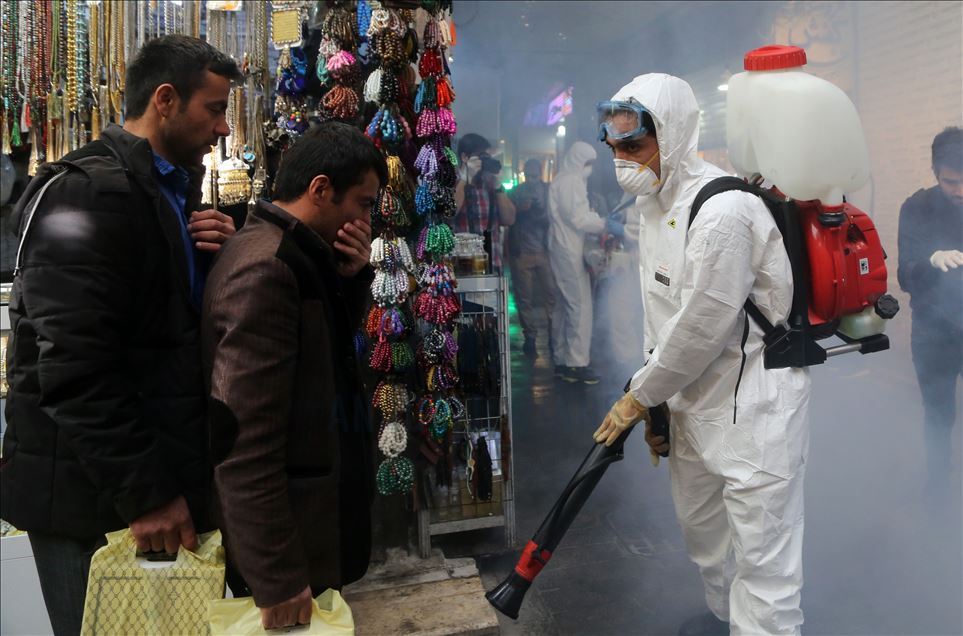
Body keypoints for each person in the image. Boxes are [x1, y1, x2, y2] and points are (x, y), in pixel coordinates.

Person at [0, 35, 240, 635]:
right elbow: (74, 367)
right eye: (214, 109)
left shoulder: (160, 191)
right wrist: (147, 494)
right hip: (94, 505)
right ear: (166, 100)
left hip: (132, 488)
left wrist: (215, 262)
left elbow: (159, 337)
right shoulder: (89, 192)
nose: (223, 129)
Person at [592, 74, 810, 635]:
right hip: (692, 403)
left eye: (635, 146)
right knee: (706, 539)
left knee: (763, 561)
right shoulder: (652, 202)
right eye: (615, 147)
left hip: (754, 407)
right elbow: (660, 316)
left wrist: (639, 397)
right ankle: (726, 622)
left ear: (673, 135)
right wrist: (660, 406)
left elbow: (701, 325)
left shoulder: (723, 211)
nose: (622, 160)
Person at [202, 121, 385, 631]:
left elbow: (321, 357)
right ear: (321, 189)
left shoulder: (296, 254)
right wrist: (276, 572)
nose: (366, 220)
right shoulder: (268, 268)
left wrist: (351, 281)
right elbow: (244, 440)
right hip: (292, 545)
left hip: (310, 533)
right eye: (363, 204)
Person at [897, 126, 963, 496]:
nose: (961, 191)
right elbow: (904, 275)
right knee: (939, 416)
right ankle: (938, 489)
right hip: (933, 332)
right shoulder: (917, 208)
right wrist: (930, 260)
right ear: (936, 172)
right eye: (952, 182)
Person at [548, 141, 604, 385]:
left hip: (563, 247)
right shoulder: (572, 181)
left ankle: (562, 359)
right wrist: (604, 223)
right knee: (580, 305)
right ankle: (577, 363)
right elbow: (578, 218)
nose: (590, 168)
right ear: (578, 161)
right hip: (569, 249)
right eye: (588, 163)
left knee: (564, 305)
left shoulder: (563, 179)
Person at [508, 158, 557, 357]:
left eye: (535, 175)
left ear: (540, 172)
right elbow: (508, 217)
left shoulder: (549, 191)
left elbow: (554, 217)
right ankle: (530, 337)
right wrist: (520, 209)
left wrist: (539, 212)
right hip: (522, 251)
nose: (532, 179)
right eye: (529, 175)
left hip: (545, 250)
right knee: (524, 298)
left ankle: (554, 335)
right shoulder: (515, 192)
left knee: (551, 296)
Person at [453, 133, 516, 272]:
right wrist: (465, 179)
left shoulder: (491, 183)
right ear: (464, 157)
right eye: (480, 157)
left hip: (492, 264)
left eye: (487, 157)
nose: (484, 161)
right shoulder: (453, 182)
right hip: (463, 266)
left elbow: (510, 219)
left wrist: (499, 185)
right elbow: (450, 213)